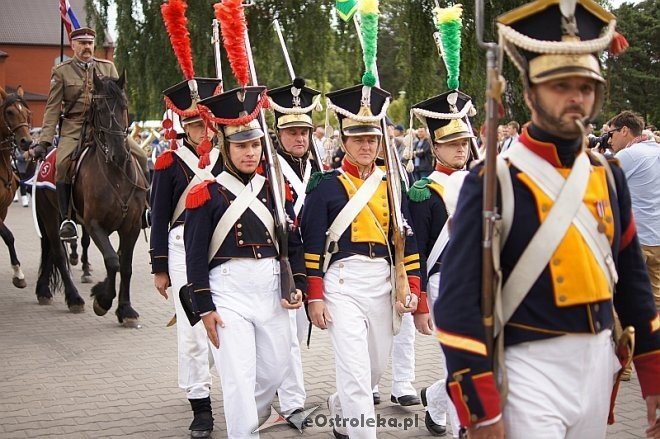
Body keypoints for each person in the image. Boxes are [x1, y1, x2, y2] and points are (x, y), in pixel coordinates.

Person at [435, 1, 660, 438]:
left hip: (599, 363)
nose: (576, 97)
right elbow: (459, 304)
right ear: (531, 89)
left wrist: (654, 378)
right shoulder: (494, 179)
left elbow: (634, 289)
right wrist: (483, 409)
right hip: (525, 369)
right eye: (560, 85)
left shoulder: (609, 176)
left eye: (586, 85)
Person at [183, 86, 306, 438]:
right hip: (228, 293)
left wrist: (296, 283)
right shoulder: (205, 192)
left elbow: (292, 242)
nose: (251, 153)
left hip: (270, 289)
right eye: (242, 146)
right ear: (225, 145)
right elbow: (194, 255)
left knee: (274, 369)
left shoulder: (274, 189)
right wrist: (204, 306)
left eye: (255, 145)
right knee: (238, 378)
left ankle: (248, 416)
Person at [301, 84, 423, 439]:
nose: (366, 145)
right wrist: (315, 295)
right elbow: (310, 244)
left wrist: (412, 287)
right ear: (344, 140)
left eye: (372, 139)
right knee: (355, 373)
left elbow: (406, 240)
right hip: (342, 282)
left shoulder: (393, 184)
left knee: (373, 369)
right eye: (358, 139)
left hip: (383, 281)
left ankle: (340, 408)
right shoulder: (324, 185)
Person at [150, 76, 222, 439]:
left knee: (222, 324)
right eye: (194, 123)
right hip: (180, 248)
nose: (201, 129)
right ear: (184, 126)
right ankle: (200, 403)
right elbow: (159, 215)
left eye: (206, 122)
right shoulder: (169, 162)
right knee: (193, 331)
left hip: (222, 249)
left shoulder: (230, 157)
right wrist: (159, 266)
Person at [35, 27, 148, 241]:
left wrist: (121, 128)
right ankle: (67, 219)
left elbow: (120, 101)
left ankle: (146, 208)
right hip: (75, 127)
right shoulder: (62, 72)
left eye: (90, 43)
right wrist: (44, 141)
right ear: (73, 46)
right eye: (82, 43)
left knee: (141, 156)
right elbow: (52, 108)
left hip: (107, 128)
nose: (87, 47)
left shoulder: (108, 67)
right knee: (61, 165)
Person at [407, 90, 477, 437]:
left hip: (480, 281)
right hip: (443, 282)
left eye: (464, 141)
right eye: (451, 143)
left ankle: (437, 396)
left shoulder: (480, 183)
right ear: (434, 147)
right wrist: (420, 300)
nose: (460, 148)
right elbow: (417, 251)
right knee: (459, 358)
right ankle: (460, 427)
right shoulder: (423, 191)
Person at [267, 77, 322, 424]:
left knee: (296, 334)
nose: (300, 138)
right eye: (292, 132)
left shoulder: (318, 167)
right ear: (278, 133)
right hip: (281, 258)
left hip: (312, 258)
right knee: (286, 335)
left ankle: (274, 382)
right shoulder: (268, 167)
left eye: (304, 131)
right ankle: (292, 401)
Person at [609, 111, 660, 311]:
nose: (609, 139)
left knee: (624, 299)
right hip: (657, 238)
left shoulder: (628, 155)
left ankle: (628, 341)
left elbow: (604, 186)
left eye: (611, 133)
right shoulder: (656, 149)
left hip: (636, 239)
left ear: (624, 130)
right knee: (656, 299)